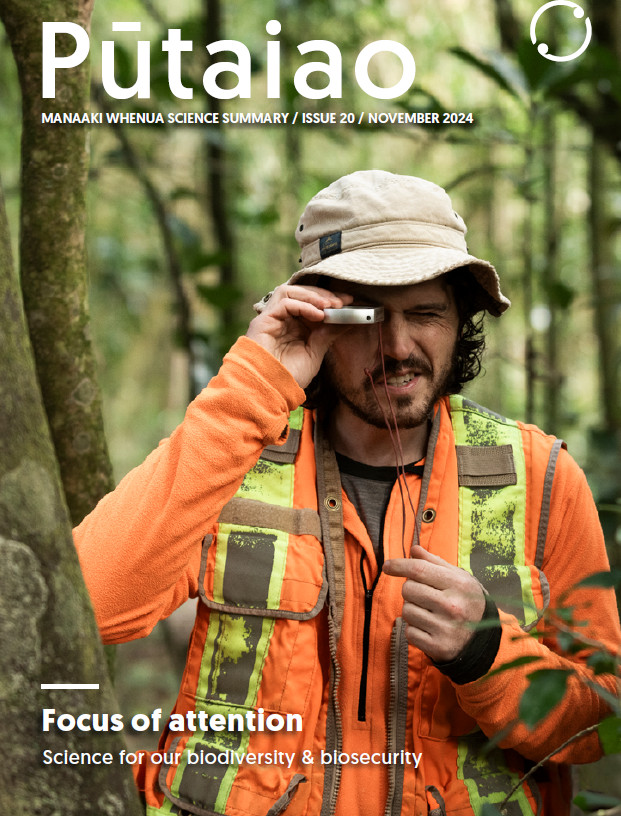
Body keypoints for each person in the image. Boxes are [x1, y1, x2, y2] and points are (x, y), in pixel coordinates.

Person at [74, 170, 621, 816]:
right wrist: (256, 379)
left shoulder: (540, 477)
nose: (396, 347)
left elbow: (600, 722)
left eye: (425, 314)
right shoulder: (232, 449)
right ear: (320, 320)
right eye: (366, 317)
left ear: (460, 323)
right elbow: (87, 604)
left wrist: (486, 654)